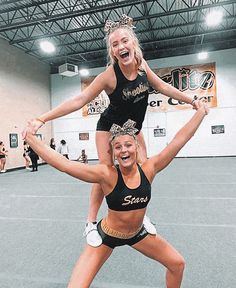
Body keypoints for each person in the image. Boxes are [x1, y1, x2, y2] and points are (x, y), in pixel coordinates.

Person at [22, 14, 200, 246]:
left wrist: (191, 101)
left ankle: (140, 213)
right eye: (115, 44)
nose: (120, 47)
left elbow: (163, 86)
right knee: (104, 172)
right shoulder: (109, 75)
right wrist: (42, 118)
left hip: (133, 129)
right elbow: (80, 99)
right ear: (112, 51)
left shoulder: (142, 66)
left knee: (144, 169)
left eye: (124, 41)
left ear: (133, 42)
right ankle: (90, 222)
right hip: (109, 127)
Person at [25, 100, 209, 288]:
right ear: (113, 153)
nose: (124, 150)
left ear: (136, 148)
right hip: (108, 234)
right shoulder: (107, 175)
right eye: (118, 147)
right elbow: (65, 165)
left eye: (128, 145)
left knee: (177, 264)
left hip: (138, 233)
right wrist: (31, 139)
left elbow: (180, 139)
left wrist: (200, 112)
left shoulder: (149, 169)